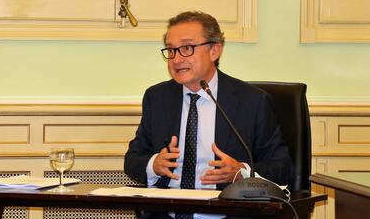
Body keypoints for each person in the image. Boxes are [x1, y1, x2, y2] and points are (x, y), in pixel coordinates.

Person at [124, 11, 294, 219]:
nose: (176, 59)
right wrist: (154, 165)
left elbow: (283, 168)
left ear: (215, 50)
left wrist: (241, 172)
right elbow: (132, 160)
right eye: (170, 50)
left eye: (186, 48)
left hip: (228, 215)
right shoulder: (157, 98)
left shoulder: (252, 102)